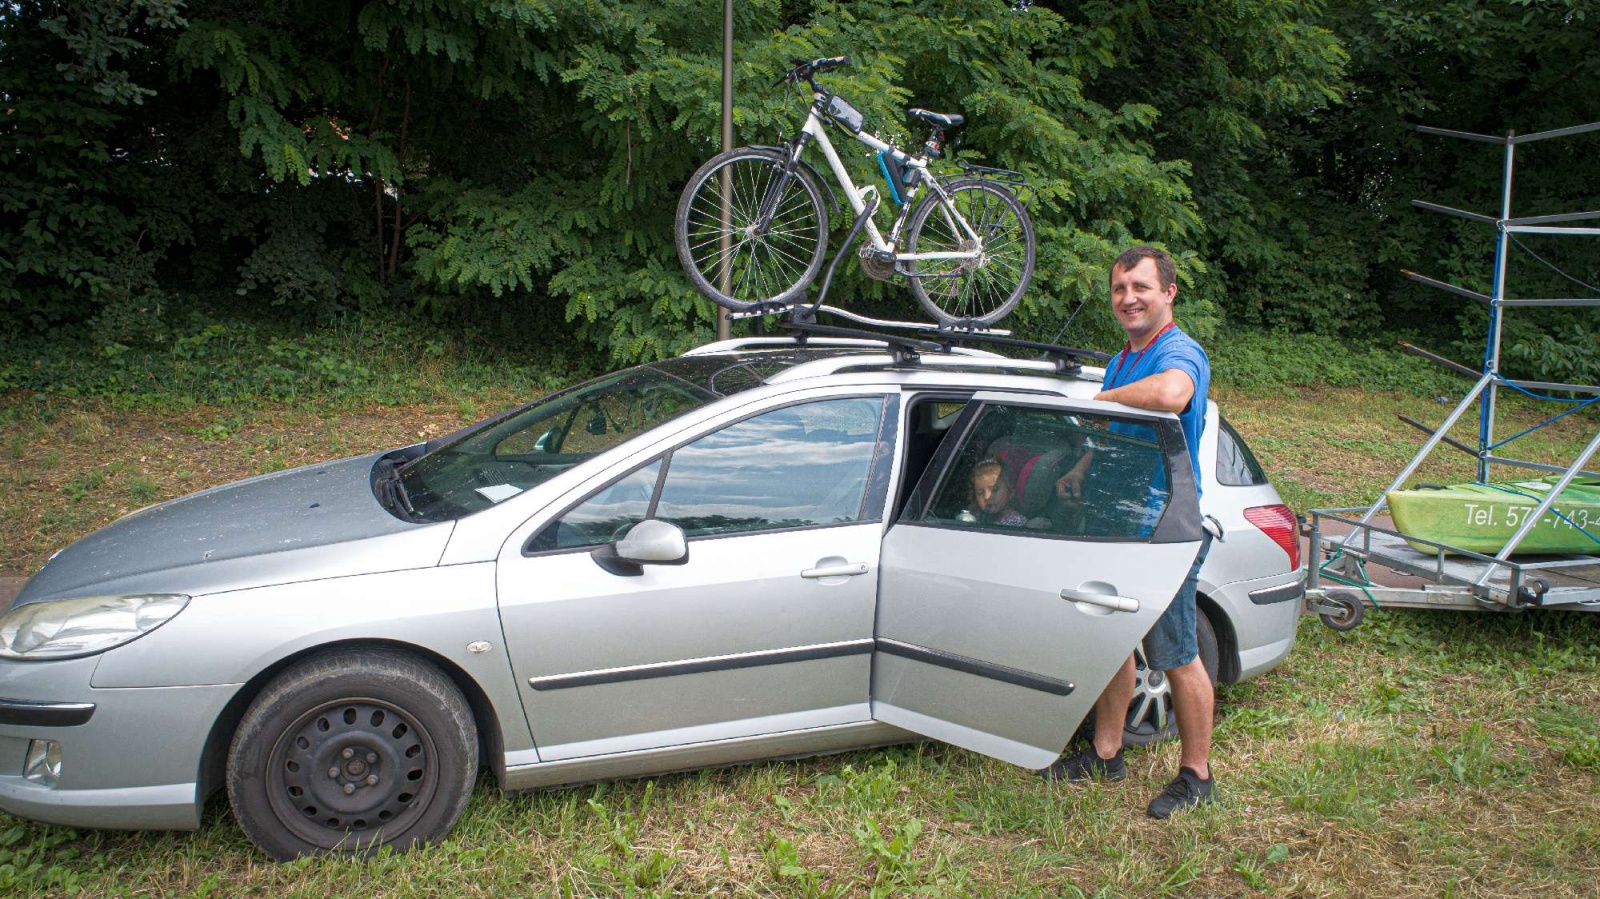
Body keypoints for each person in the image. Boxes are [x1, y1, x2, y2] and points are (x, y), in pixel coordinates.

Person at [1039, 245, 1216, 820]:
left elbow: (1170, 396)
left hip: (1163, 525)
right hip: (1114, 518)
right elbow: (1114, 431)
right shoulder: (1122, 359)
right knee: (1113, 638)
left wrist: (1103, 397)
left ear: (1168, 293)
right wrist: (1078, 468)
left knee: (1176, 653)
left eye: (1140, 287)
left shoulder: (1178, 351)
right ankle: (1107, 754)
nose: (1128, 298)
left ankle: (1196, 776)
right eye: (1119, 289)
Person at [969, 459, 1027, 527]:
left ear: (1010, 490)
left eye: (994, 490)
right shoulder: (972, 518)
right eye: (980, 492)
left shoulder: (1018, 524)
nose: (987, 497)